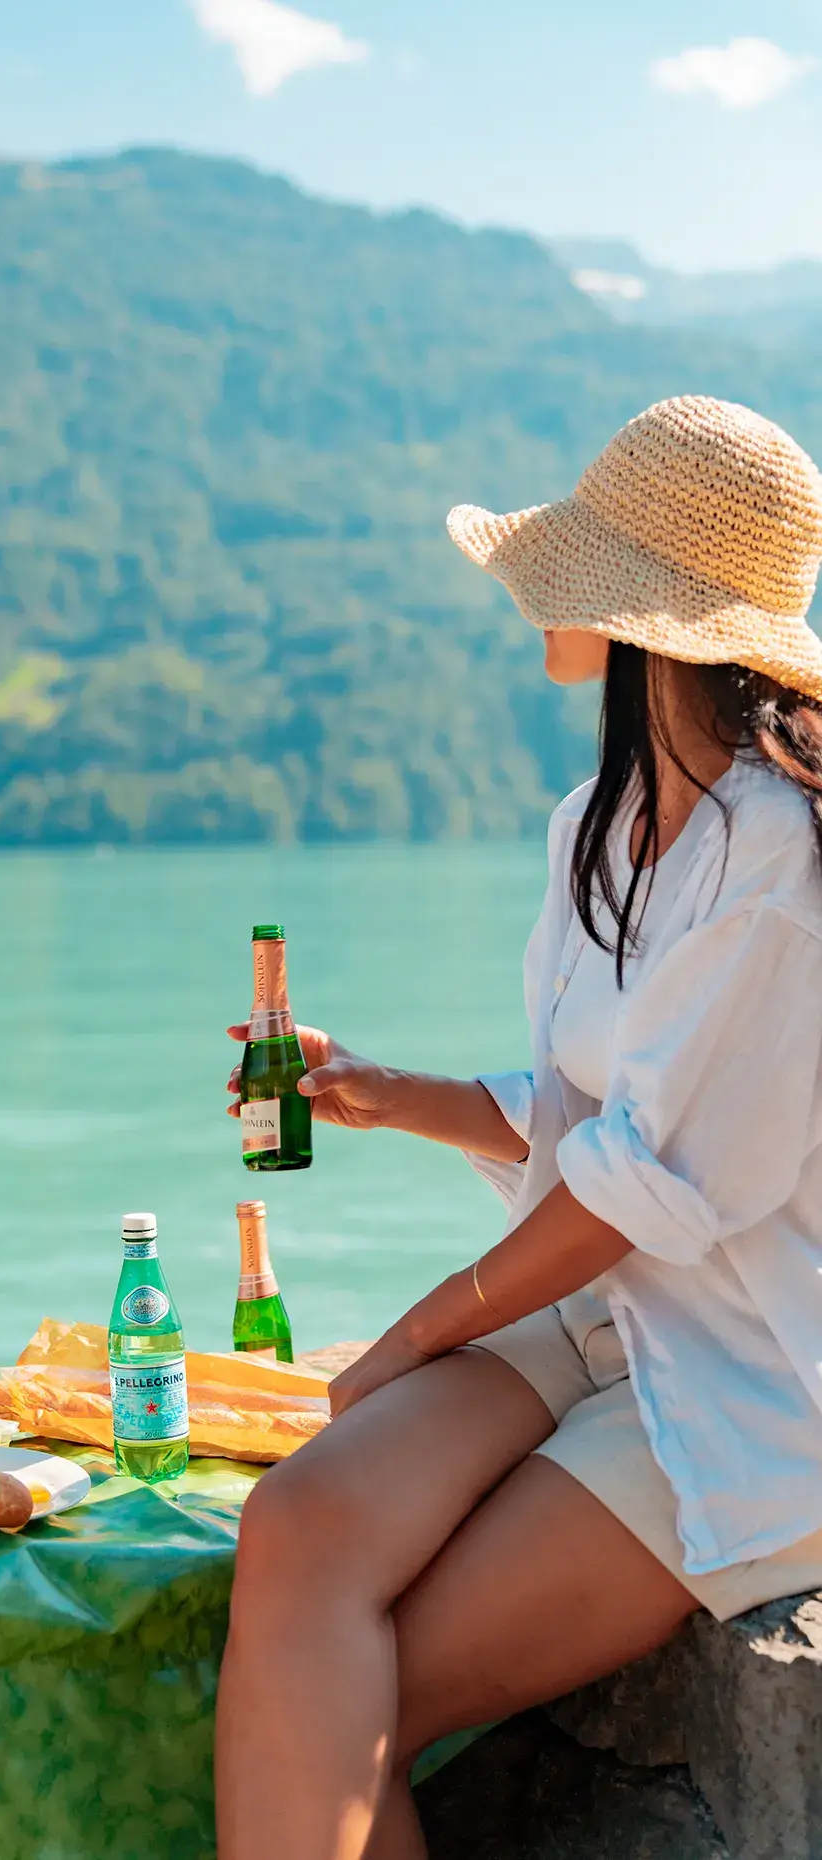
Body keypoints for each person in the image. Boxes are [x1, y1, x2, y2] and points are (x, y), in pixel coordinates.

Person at [216, 396, 822, 1860]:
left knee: (353, 1693)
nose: (534, 609)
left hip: (756, 1372)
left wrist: (415, 1337)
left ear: (642, 626)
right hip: (607, 1309)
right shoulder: (601, 824)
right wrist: (376, 1090)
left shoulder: (779, 862)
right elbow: (581, 1115)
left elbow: (643, 1184)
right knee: (295, 1530)